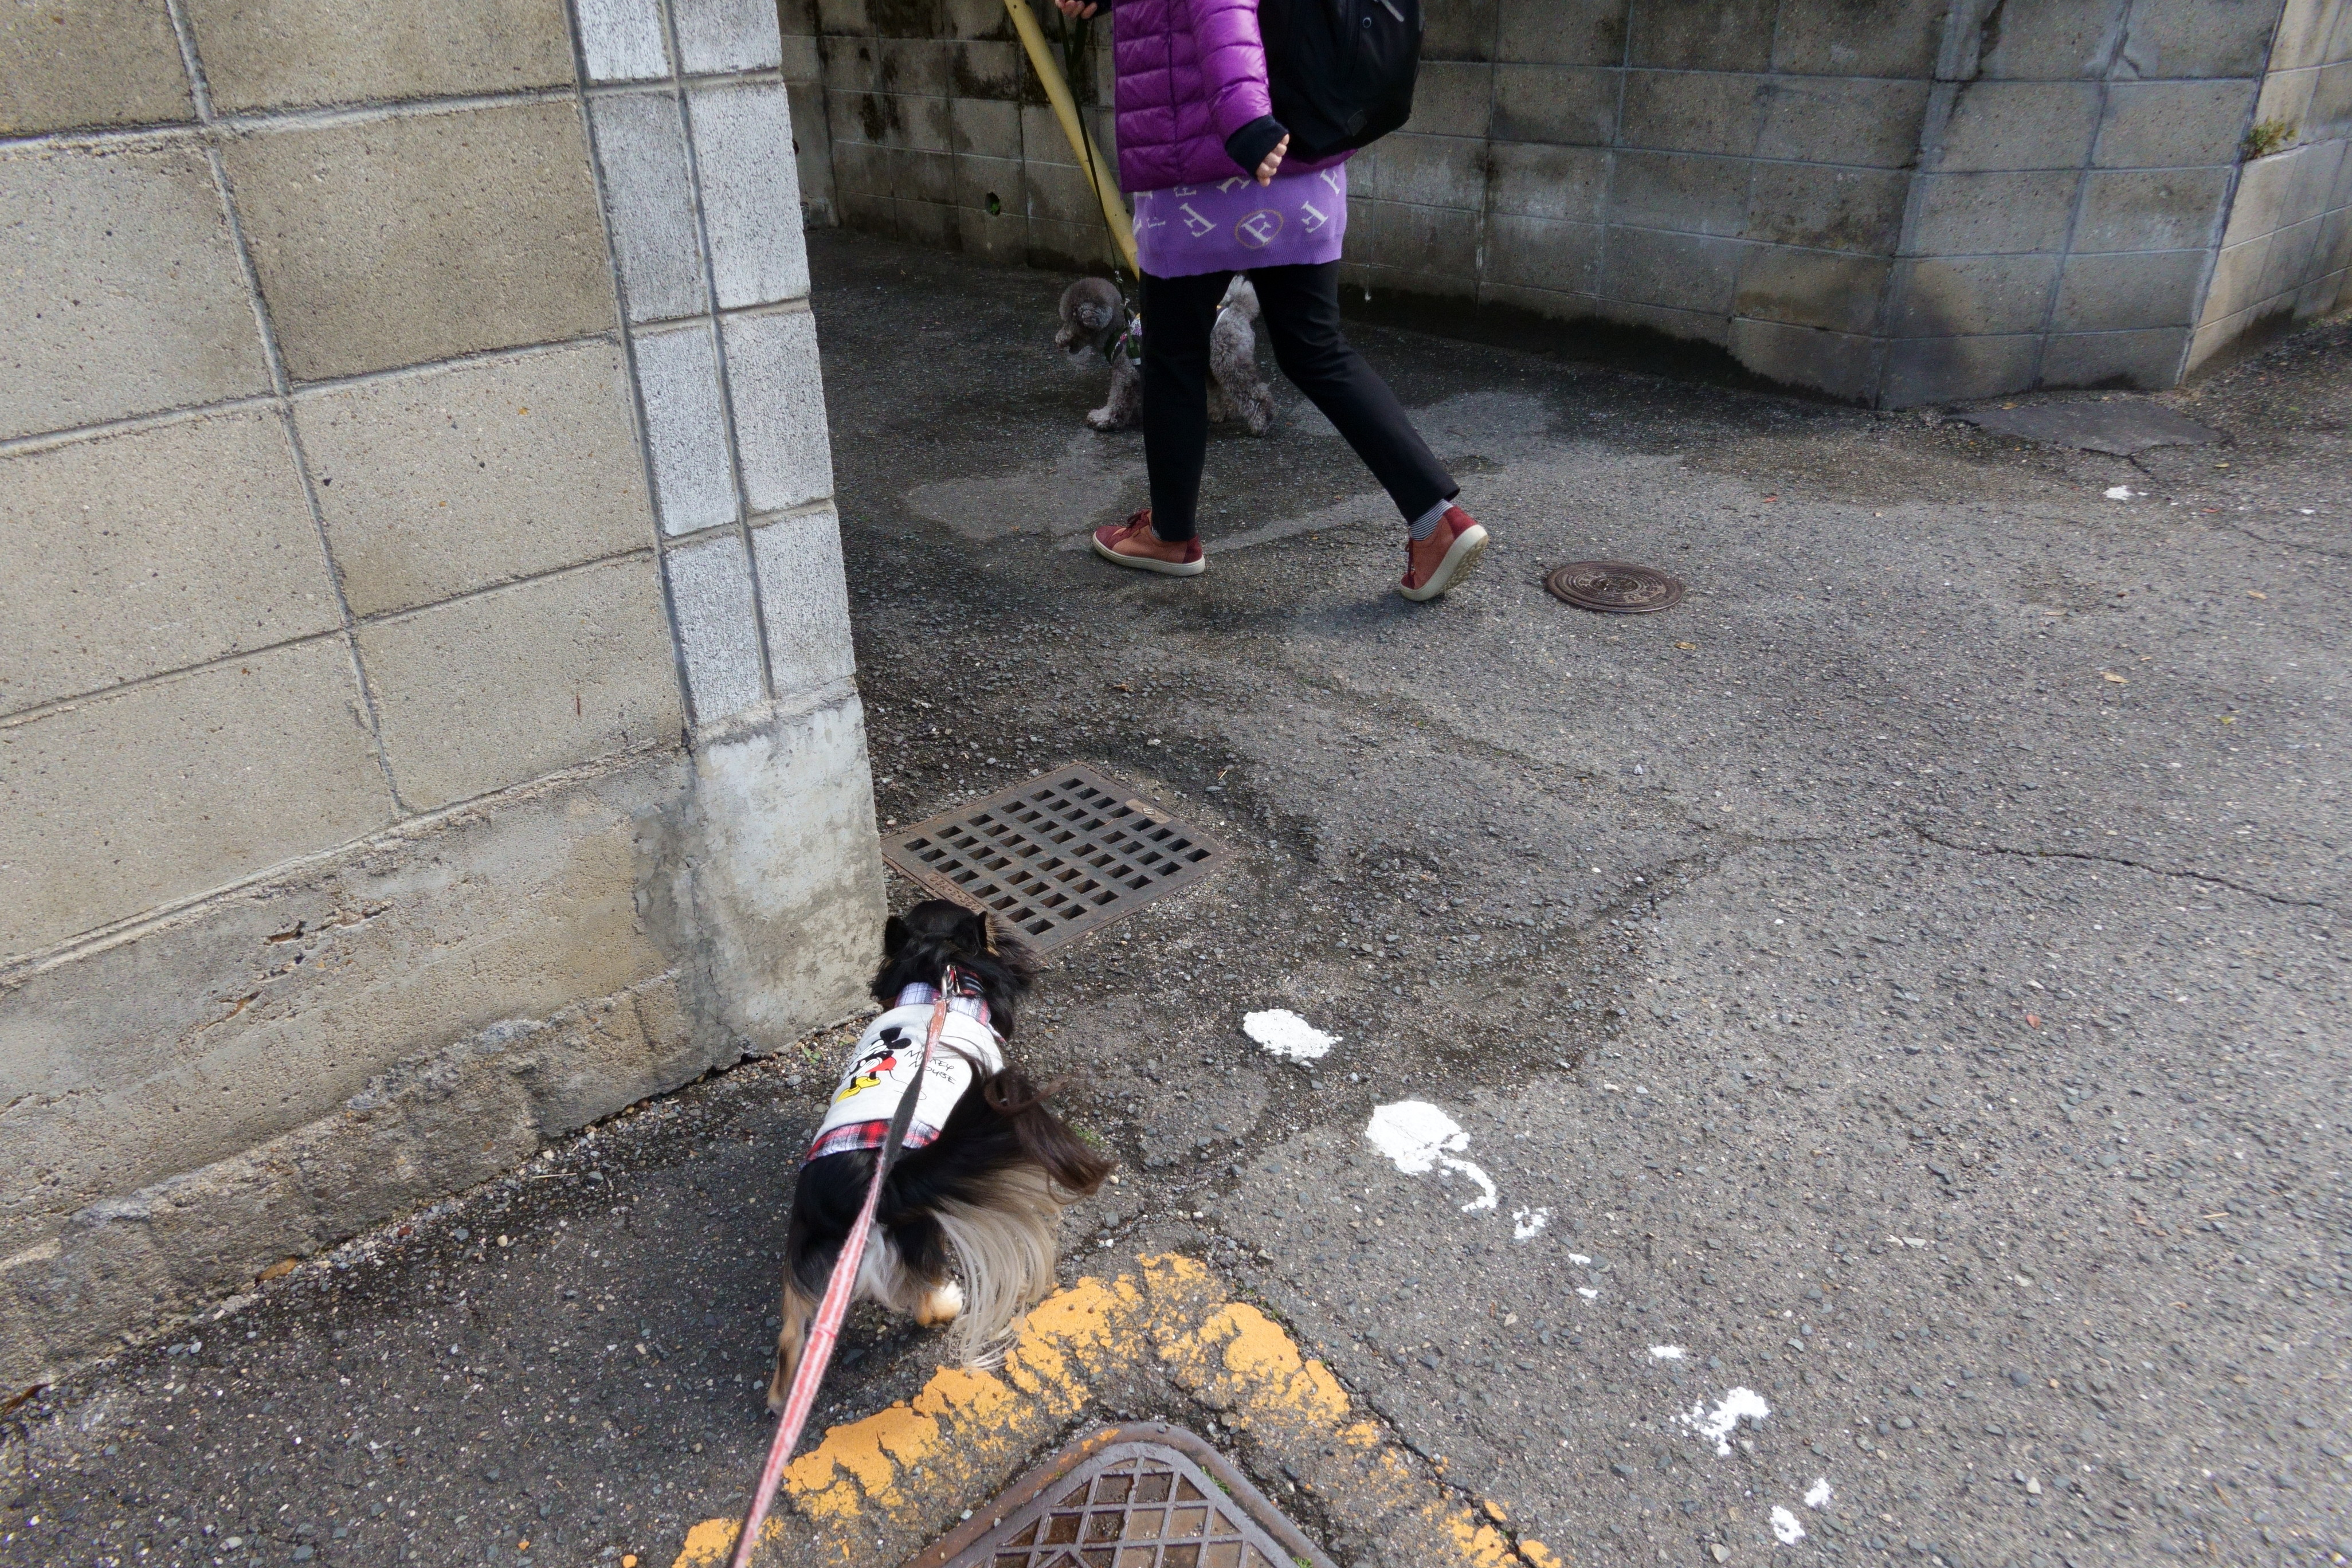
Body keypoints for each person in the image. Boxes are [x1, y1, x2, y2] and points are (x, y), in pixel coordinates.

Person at [1058, 0, 1487, 601]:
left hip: (1214, 169)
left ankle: (1170, 537)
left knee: (1174, 353)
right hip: (1305, 165)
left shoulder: (1238, 132)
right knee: (1317, 349)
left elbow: (1221, 8)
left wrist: (1245, 121)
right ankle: (1435, 519)